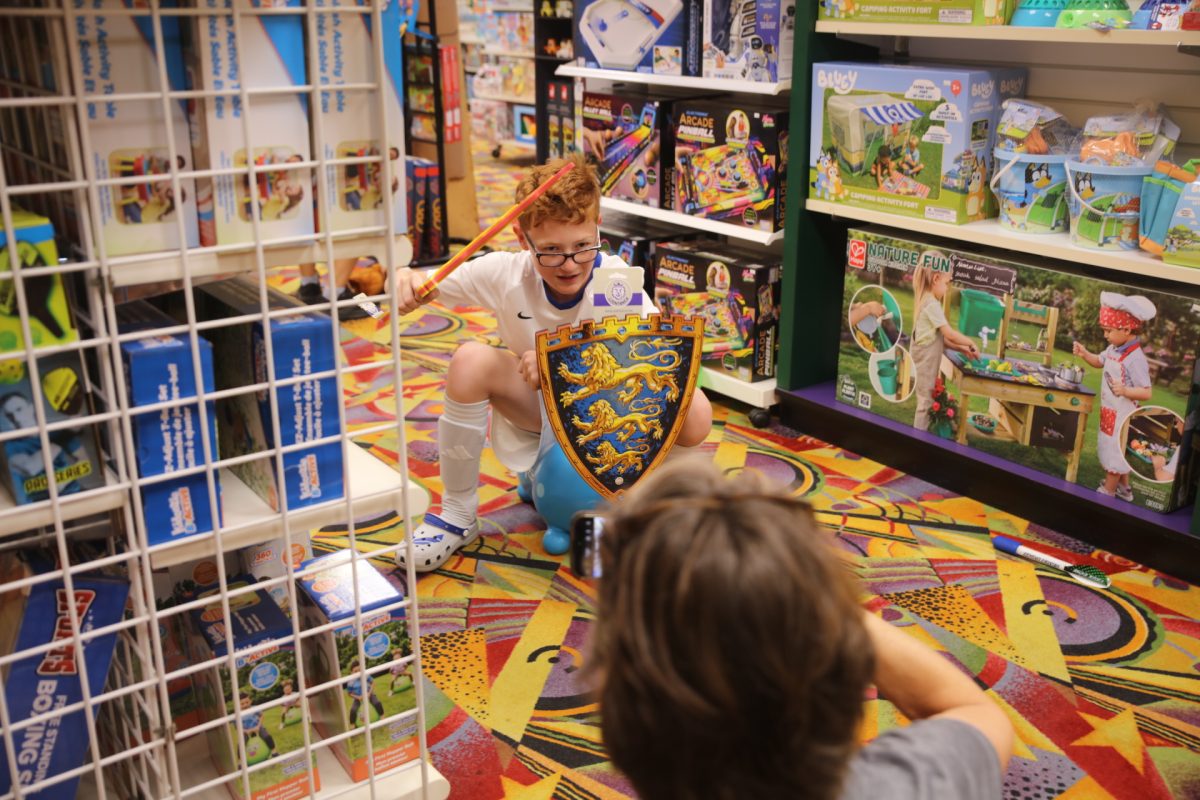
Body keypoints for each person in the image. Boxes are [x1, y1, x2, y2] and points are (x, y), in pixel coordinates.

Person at [586, 458, 1013, 800]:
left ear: (614, 709)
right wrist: (818, 600)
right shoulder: (909, 786)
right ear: (846, 688)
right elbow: (977, 714)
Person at [393, 153, 713, 570]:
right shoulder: (505, 273)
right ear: (521, 238)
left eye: (583, 247)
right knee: (471, 360)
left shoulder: (617, 282)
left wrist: (556, 365)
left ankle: (630, 500)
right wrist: (404, 279)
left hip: (610, 422)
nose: (569, 264)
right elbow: (421, 282)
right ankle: (457, 514)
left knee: (697, 414)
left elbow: (652, 371)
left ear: (597, 228)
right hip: (539, 414)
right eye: (550, 251)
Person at [1073, 292, 1156, 501]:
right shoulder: (1114, 348)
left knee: (1114, 453)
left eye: (1108, 331)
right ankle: (1125, 490)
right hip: (1109, 411)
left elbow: (1147, 392)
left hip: (1122, 416)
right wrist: (1085, 354)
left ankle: (1107, 493)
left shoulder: (1135, 359)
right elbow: (1099, 361)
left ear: (1126, 329)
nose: (1105, 335)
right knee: (1112, 448)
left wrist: (1126, 391)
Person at [911, 264, 979, 431]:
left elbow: (940, 339)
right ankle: (918, 441)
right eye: (947, 283)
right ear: (936, 279)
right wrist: (970, 342)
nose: (948, 288)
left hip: (924, 360)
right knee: (925, 404)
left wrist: (962, 349)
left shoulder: (927, 299)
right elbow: (948, 333)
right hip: (925, 363)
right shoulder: (932, 303)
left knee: (925, 402)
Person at [237, 691, 279, 759]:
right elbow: (238, 727)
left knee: (267, 736)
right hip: (245, 730)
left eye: (247, 702)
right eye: (242, 704)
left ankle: (274, 752)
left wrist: (258, 726)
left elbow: (261, 716)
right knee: (241, 743)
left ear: (250, 701)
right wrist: (245, 731)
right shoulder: (238, 714)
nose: (245, 705)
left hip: (257, 727)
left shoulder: (254, 708)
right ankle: (240, 761)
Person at [346, 659, 385, 727]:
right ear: (351, 672)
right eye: (355, 671)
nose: (358, 673)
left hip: (368, 693)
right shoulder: (350, 682)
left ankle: (382, 716)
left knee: (377, 703)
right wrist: (358, 697)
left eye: (359, 670)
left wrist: (369, 693)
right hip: (358, 697)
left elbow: (373, 683)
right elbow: (349, 693)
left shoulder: (365, 675)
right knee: (353, 710)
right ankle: (352, 724)